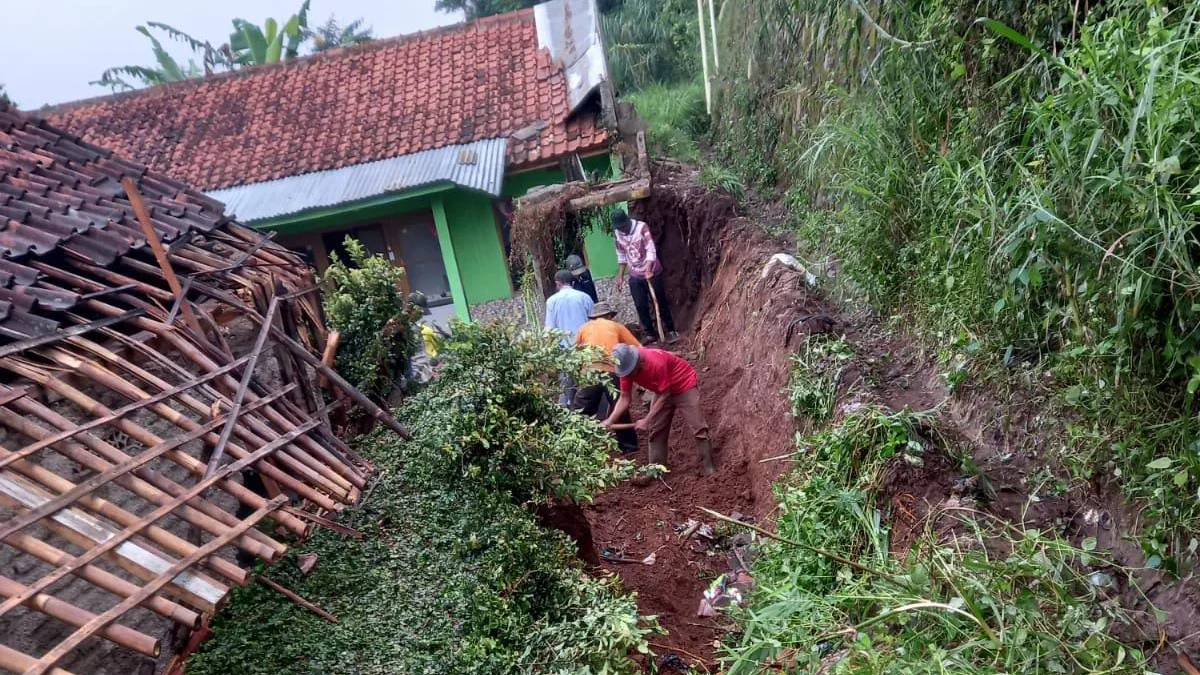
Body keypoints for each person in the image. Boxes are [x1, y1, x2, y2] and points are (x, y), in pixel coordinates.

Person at [603, 344, 714, 480]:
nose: (630, 375)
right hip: (661, 390)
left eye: (632, 371)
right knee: (656, 430)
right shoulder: (625, 369)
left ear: (638, 362)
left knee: (698, 427)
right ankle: (655, 471)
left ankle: (709, 468)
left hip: (683, 384)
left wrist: (647, 419)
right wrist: (611, 420)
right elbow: (625, 398)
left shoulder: (655, 363)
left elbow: (666, 395)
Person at [574, 302, 640, 453]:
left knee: (580, 411)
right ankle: (629, 447)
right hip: (614, 370)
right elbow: (637, 348)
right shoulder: (616, 326)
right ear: (609, 316)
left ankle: (580, 448)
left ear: (593, 317)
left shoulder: (584, 328)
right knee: (620, 407)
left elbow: (576, 354)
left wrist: (579, 375)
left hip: (590, 372)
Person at [612, 209, 679, 345]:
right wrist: (620, 276)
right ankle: (650, 333)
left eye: (622, 227)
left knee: (660, 301)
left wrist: (648, 269)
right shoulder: (618, 233)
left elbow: (650, 249)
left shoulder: (641, 227)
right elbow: (621, 255)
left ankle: (671, 330)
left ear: (627, 222)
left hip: (652, 270)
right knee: (640, 304)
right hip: (635, 273)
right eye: (618, 228)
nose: (621, 230)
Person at [545, 269, 594, 406]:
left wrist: (548, 351)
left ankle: (568, 412)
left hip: (565, 350)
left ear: (557, 283)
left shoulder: (551, 301)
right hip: (586, 348)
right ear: (572, 282)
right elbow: (593, 322)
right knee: (590, 384)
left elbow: (549, 329)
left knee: (567, 387)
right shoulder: (585, 297)